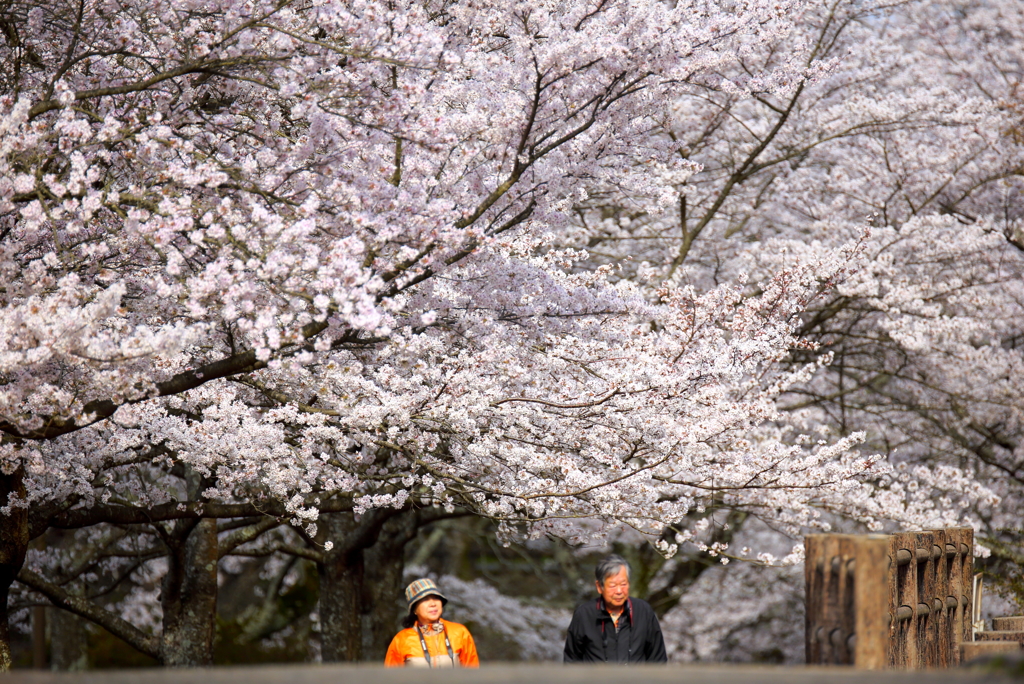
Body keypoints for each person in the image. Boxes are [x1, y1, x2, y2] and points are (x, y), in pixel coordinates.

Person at [563, 554, 667, 663]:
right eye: (612, 585)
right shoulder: (584, 614)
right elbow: (571, 660)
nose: (619, 591)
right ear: (599, 587)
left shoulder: (643, 611)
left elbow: (658, 658)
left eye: (623, 584)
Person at [384, 578, 480, 667]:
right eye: (425, 600)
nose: (433, 604)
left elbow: (473, 673)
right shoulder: (401, 640)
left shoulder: (459, 632)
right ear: (414, 609)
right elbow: (391, 678)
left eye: (436, 598)